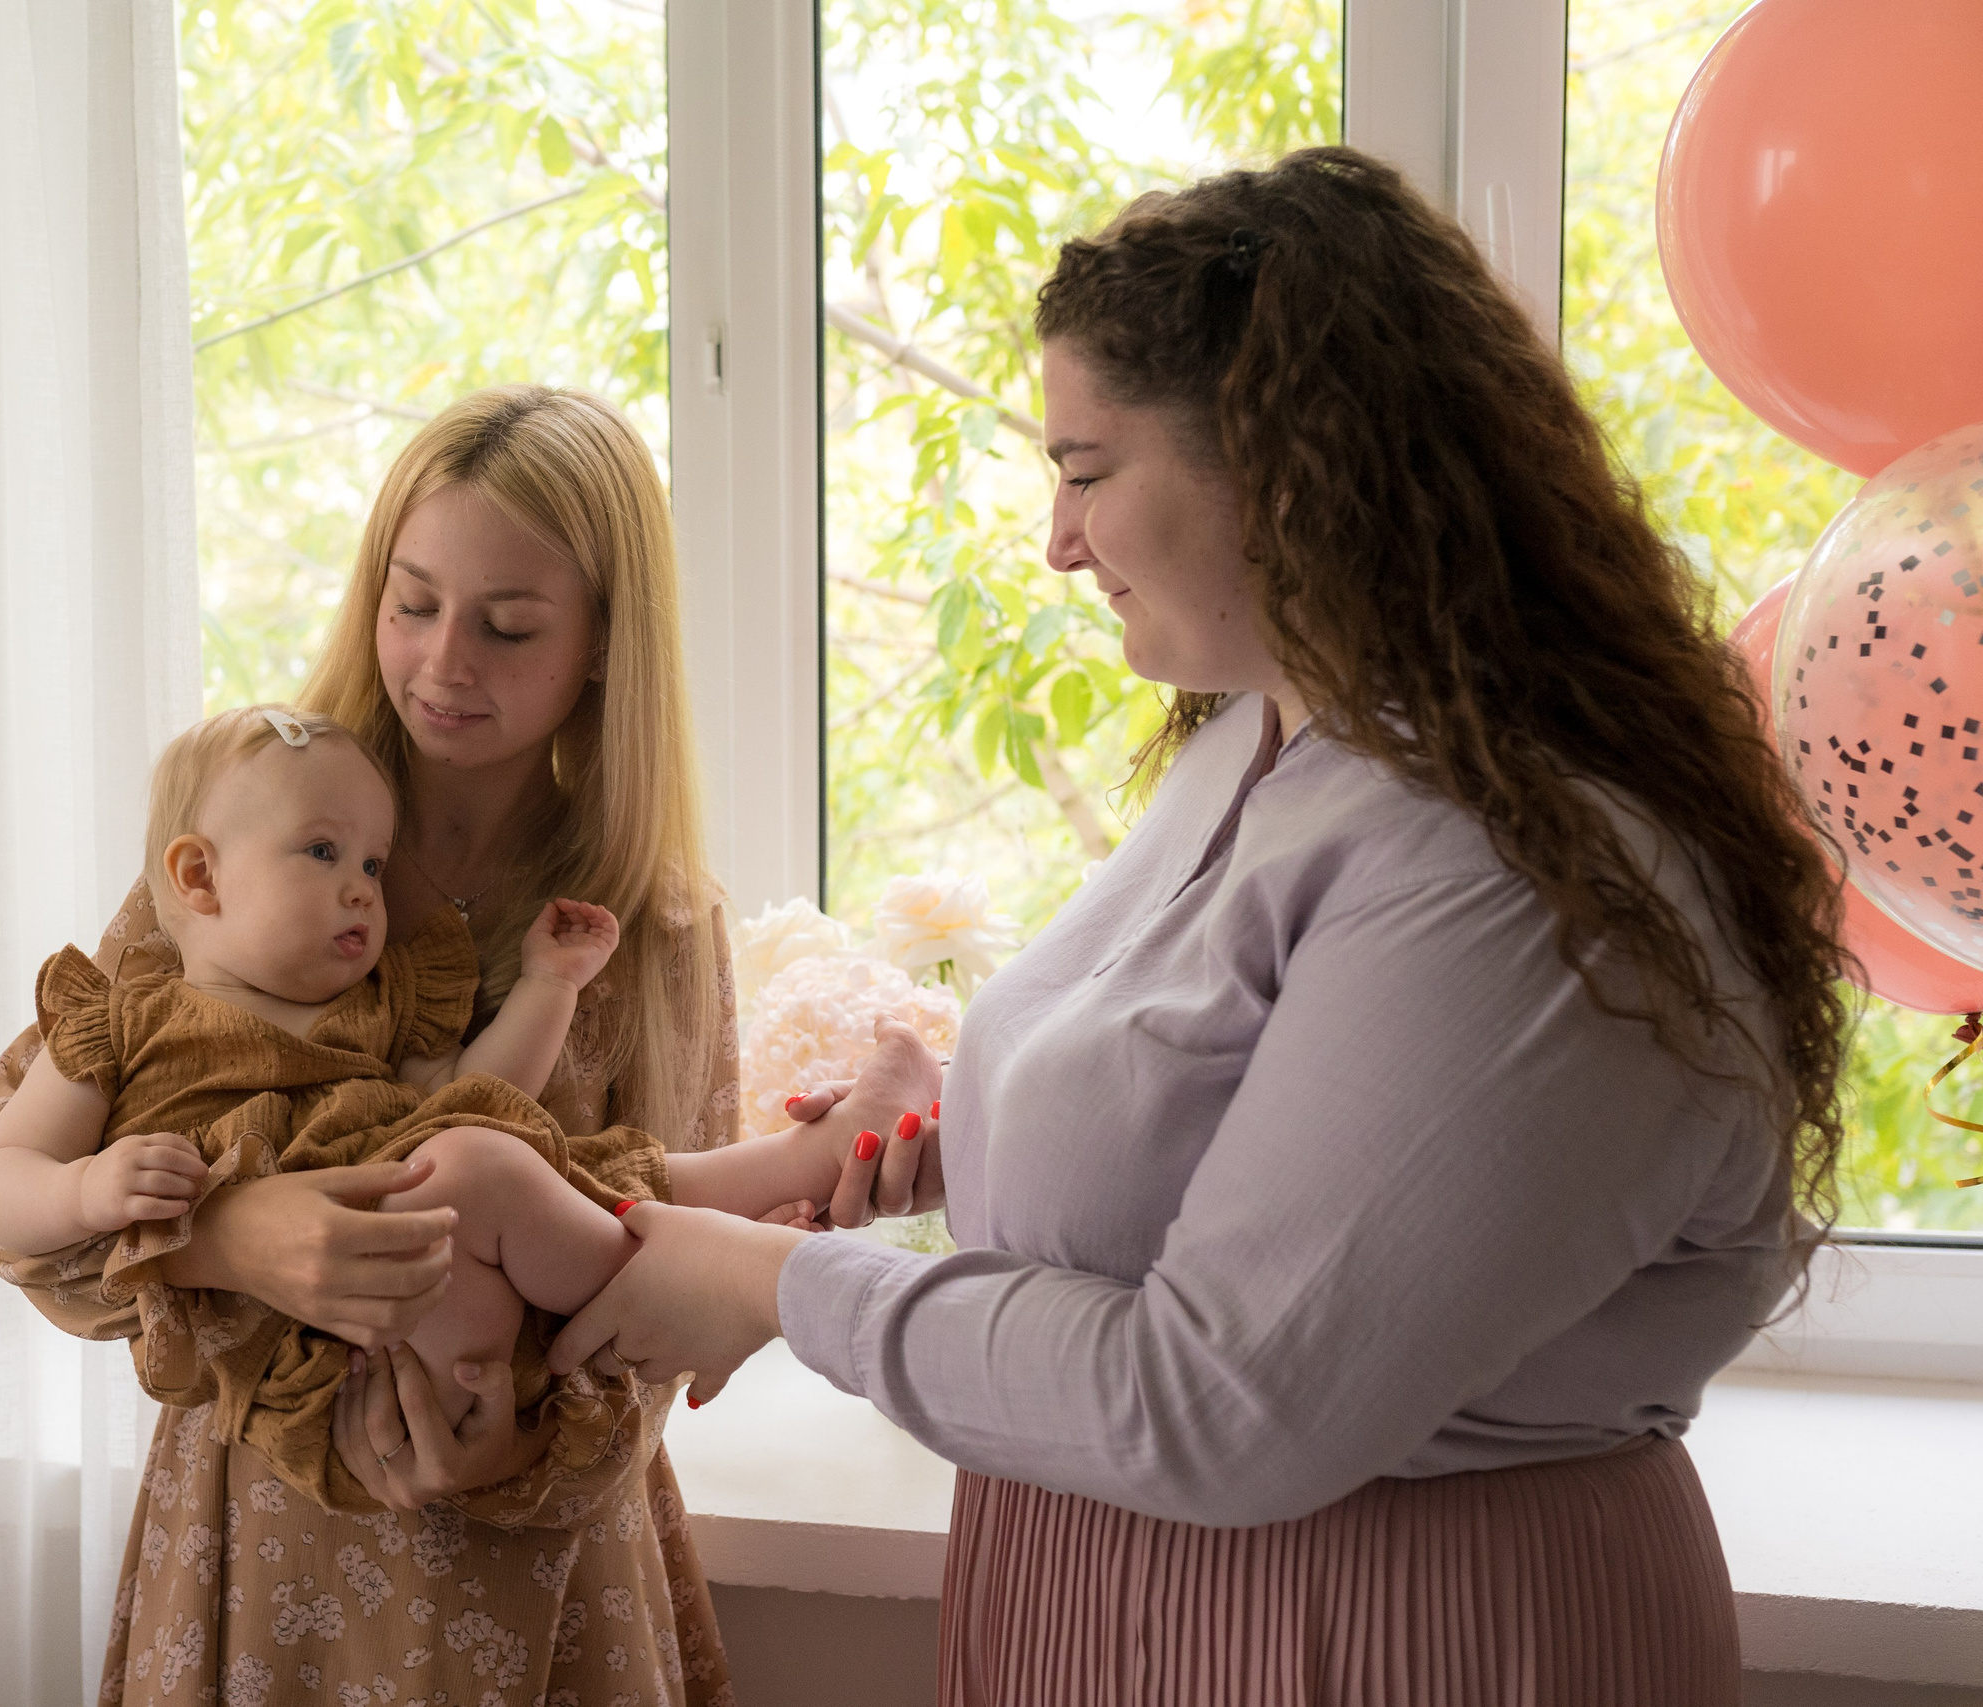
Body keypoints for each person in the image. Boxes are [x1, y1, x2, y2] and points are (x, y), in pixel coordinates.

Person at [552, 146, 1850, 1706]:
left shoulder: (1514, 870)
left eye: (1089, 469)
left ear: (1294, 465)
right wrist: (980, 1140)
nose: (1057, 539)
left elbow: (1223, 1398)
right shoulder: (1264, 739)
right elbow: (1266, 1126)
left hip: (1404, 1632)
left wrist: (771, 1289)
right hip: (1119, 1602)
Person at [0, 384, 919, 1706]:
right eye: (412, 602)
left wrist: (512, 1450)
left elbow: (666, 1298)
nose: (442, 660)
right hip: (258, 1561)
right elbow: (26, 1216)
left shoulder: (650, 925)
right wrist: (233, 1234)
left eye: (508, 624)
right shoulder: (239, 845)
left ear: (602, 643)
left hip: (540, 1590)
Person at [0, 701, 882, 1503]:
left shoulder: (371, 1008)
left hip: (440, 1312)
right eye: (324, 852)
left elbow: (477, 1096)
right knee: (490, 1164)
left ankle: (797, 1164)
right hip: (314, 1358)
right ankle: (690, 1270)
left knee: (520, 1157)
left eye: (372, 859)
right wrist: (90, 1192)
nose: (363, 886)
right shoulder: (120, 1016)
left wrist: (548, 986)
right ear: (198, 877)